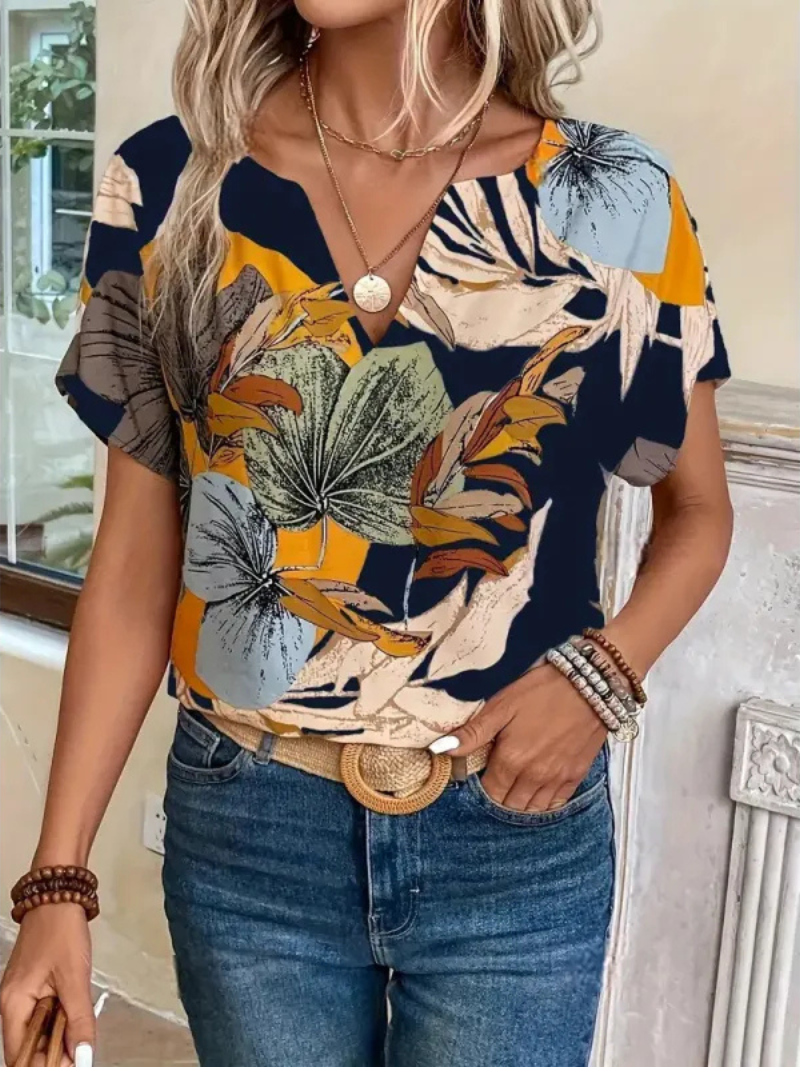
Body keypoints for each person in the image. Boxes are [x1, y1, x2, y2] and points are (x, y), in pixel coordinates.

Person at [0, 2, 734, 1065]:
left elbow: (698, 514)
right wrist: (57, 879)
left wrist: (600, 676)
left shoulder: (609, 193)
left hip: (511, 834)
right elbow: (132, 564)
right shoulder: (170, 183)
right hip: (249, 835)